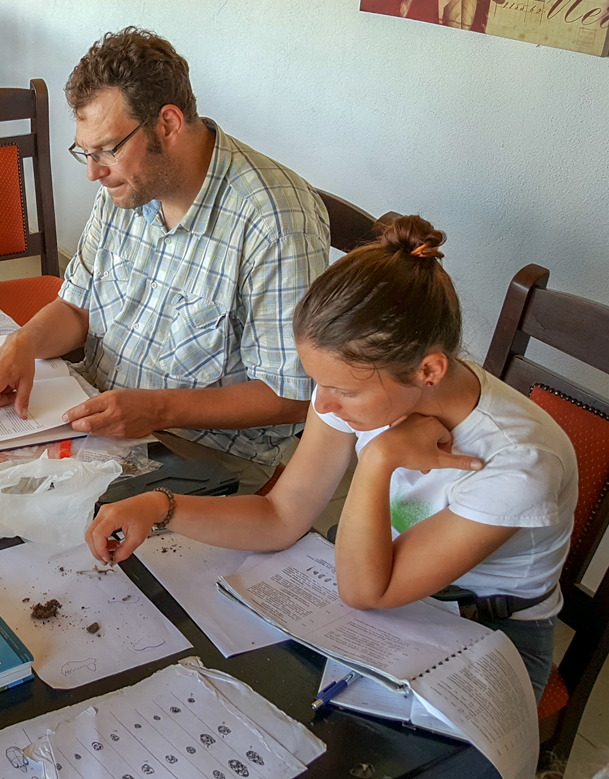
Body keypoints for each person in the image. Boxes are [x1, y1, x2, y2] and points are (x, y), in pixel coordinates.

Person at [84, 215, 576, 701]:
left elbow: (367, 591)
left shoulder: (517, 462)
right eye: (319, 383)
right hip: (378, 575)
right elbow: (281, 515)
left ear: (429, 369)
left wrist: (381, 459)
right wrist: (160, 506)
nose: (321, 406)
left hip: (485, 631)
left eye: (340, 391)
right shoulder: (371, 384)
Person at [0, 27, 330, 493]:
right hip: (102, 426)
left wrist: (158, 409)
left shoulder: (275, 222)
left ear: (167, 124)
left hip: (206, 456)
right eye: (86, 151)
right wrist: (25, 341)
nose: (93, 171)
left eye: (106, 150)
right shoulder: (126, 185)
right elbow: (78, 307)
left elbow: (291, 395)